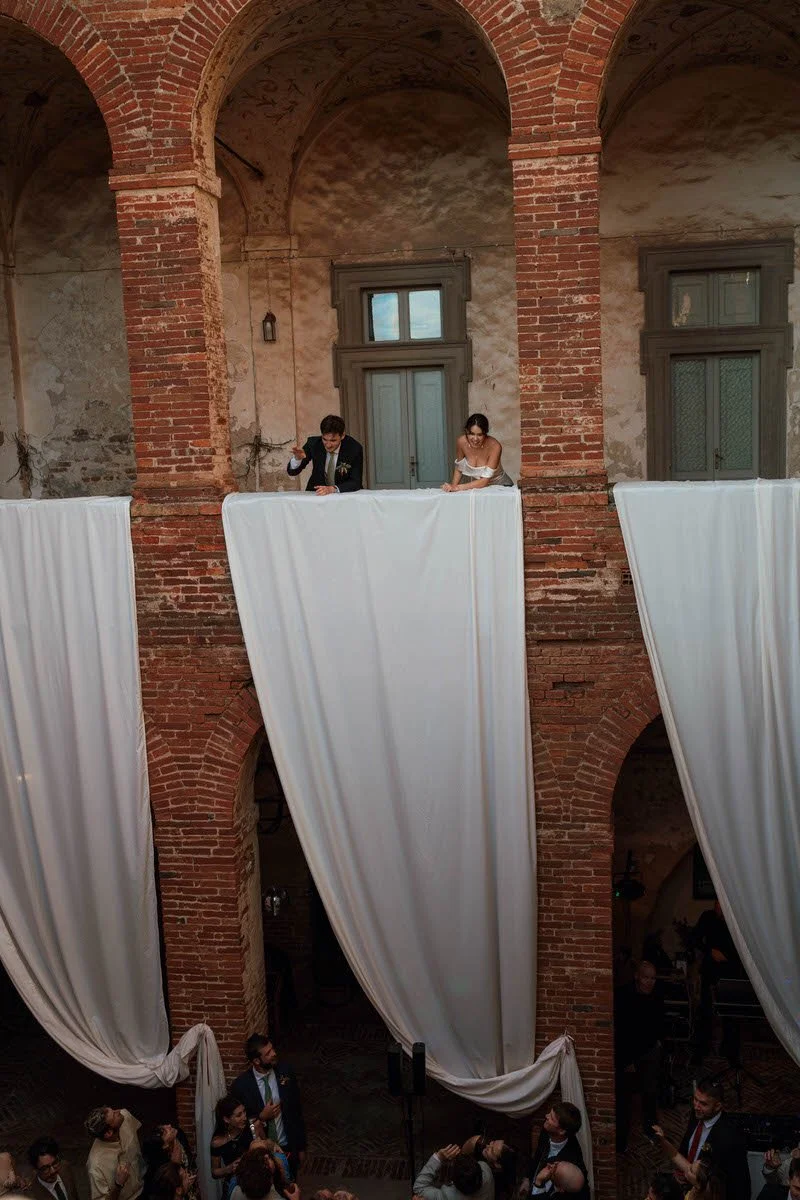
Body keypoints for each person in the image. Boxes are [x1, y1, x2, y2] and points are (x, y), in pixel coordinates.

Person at [230, 1033, 306, 1176]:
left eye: (272, 1049)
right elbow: (239, 1128)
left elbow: (296, 1110)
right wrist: (262, 1118)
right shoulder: (241, 1087)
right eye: (268, 1053)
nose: (274, 1054)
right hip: (260, 1154)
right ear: (257, 1061)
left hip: (287, 1147)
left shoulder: (285, 1072)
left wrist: (301, 1147)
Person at [662, 1078, 748, 1200]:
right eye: (695, 1100)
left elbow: (739, 1185)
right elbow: (685, 1149)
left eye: (703, 1103)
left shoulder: (731, 1138)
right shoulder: (698, 1113)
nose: (696, 1106)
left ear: (718, 1106)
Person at [615, 959, 665, 1152]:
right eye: (646, 977)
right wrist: (626, 1060)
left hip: (650, 1050)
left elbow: (661, 1019)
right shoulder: (623, 995)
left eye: (653, 978)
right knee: (624, 1097)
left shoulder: (657, 994)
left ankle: (650, 1130)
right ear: (637, 976)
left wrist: (659, 1042)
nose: (650, 982)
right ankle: (621, 1141)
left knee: (650, 1092)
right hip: (629, 1053)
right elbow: (620, 1031)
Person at [523, 1104, 587, 1200]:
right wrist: (527, 1179)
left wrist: (537, 1185)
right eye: (549, 1113)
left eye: (552, 1118)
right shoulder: (546, 1131)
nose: (546, 1116)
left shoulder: (571, 1160)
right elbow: (538, 1156)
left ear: (561, 1131)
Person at [287, 415, 363, 494]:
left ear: (342, 435)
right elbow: (292, 472)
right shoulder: (313, 444)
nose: (328, 445)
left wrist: (333, 489)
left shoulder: (354, 448)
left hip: (344, 494)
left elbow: (356, 482)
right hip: (317, 494)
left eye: (333, 440)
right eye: (325, 439)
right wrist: (297, 459)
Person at [85, 1107, 145, 1200]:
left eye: (113, 1110)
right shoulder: (95, 1166)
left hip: (143, 1187)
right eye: (114, 1115)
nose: (119, 1111)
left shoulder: (125, 1116)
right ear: (109, 1133)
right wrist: (118, 1184)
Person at [442, 414, 513, 492]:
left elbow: (485, 480)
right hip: (480, 489)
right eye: (471, 434)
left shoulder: (495, 446)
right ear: (466, 431)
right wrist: (452, 488)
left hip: (502, 488)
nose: (475, 439)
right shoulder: (461, 442)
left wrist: (457, 488)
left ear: (485, 433)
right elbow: (459, 469)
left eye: (480, 435)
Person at [210, 1097, 262, 1200]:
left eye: (244, 1112)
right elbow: (214, 1172)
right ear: (226, 1119)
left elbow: (266, 1147)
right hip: (234, 1184)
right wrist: (228, 1169)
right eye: (239, 1115)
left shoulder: (253, 1126)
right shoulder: (217, 1141)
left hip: (257, 1182)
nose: (244, 1117)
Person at [413, 1144, 494, 1200]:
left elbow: (419, 1187)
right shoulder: (486, 1170)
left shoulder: (446, 1196)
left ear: (453, 1181)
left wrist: (438, 1157)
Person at [142, 1126, 194, 1200]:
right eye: (164, 1131)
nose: (169, 1125)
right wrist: (183, 1188)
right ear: (165, 1146)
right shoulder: (165, 1173)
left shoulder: (179, 1136)